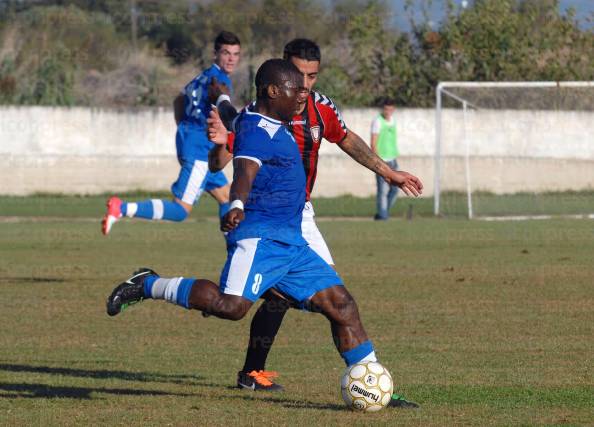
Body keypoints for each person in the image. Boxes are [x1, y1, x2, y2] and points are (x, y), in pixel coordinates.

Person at [106, 59, 406, 400]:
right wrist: (236, 203)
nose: (301, 96)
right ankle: (147, 283)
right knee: (229, 306)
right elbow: (245, 170)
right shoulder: (258, 133)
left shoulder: (254, 119)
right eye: (295, 89)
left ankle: (377, 388)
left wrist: (219, 98)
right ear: (273, 91)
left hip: (292, 241)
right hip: (261, 237)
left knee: (342, 304)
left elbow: (232, 116)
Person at [207, 39, 422, 408]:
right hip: (265, 220)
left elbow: (347, 138)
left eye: (312, 76)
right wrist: (221, 143)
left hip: (300, 214)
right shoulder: (260, 114)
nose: (305, 85)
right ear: (283, 74)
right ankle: (366, 381)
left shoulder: (321, 108)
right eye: (299, 76)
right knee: (321, 299)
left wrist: (388, 172)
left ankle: (363, 380)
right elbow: (220, 163)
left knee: (318, 299)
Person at [101, 31, 241, 235]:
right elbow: (225, 111)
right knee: (180, 210)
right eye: (226, 53)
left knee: (226, 198)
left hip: (190, 142)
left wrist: (185, 129)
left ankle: (234, 254)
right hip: (201, 150)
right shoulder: (219, 81)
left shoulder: (202, 76)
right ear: (215, 54)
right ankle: (121, 208)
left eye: (236, 54)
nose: (231, 59)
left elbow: (179, 100)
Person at [370, 98, 399, 220]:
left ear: (393, 109)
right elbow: (373, 143)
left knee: (395, 189)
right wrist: (378, 161)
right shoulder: (377, 122)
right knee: (382, 190)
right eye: (386, 109)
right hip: (382, 160)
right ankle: (383, 216)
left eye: (390, 109)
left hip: (393, 160)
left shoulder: (393, 121)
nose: (388, 112)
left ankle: (383, 213)